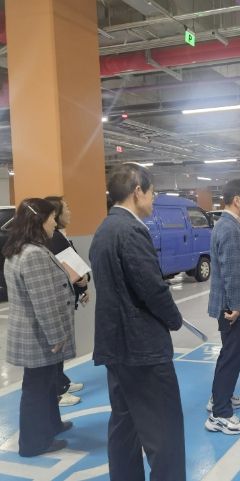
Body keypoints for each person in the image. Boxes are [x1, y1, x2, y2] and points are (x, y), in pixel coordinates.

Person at [89, 163, 185, 481]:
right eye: (152, 193)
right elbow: (152, 289)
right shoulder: (131, 231)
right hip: (143, 349)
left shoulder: (104, 229)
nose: (153, 200)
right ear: (137, 191)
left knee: (124, 425)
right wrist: (174, 319)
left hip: (115, 346)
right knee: (164, 433)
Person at [3, 198, 76, 457]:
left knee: (45, 385)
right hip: (39, 336)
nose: (55, 223)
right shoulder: (34, 255)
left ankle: (52, 425)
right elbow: (43, 301)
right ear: (39, 221)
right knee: (36, 389)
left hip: (32, 334)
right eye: (52, 218)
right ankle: (33, 443)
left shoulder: (20, 249)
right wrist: (57, 336)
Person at [205, 179, 240, 435]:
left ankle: (220, 396)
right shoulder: (228, 228)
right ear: (237, 200)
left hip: (231, 306)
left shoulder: (229, 224)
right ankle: (220, 414)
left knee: (229, 354)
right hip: (233, 309)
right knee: (231, 356)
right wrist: (236, 306)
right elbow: (231, 272)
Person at [45, 196, 89, 407]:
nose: (70, 212)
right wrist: (82, 284)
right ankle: (57, 390)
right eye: (66, 209)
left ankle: (61, 381)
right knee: (56, 346)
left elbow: (75, 266)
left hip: (70, 296)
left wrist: (83, 286)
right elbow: (69, 271)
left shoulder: (60, 236)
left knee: (61, 347)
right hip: (59, 301)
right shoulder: (53, 239)